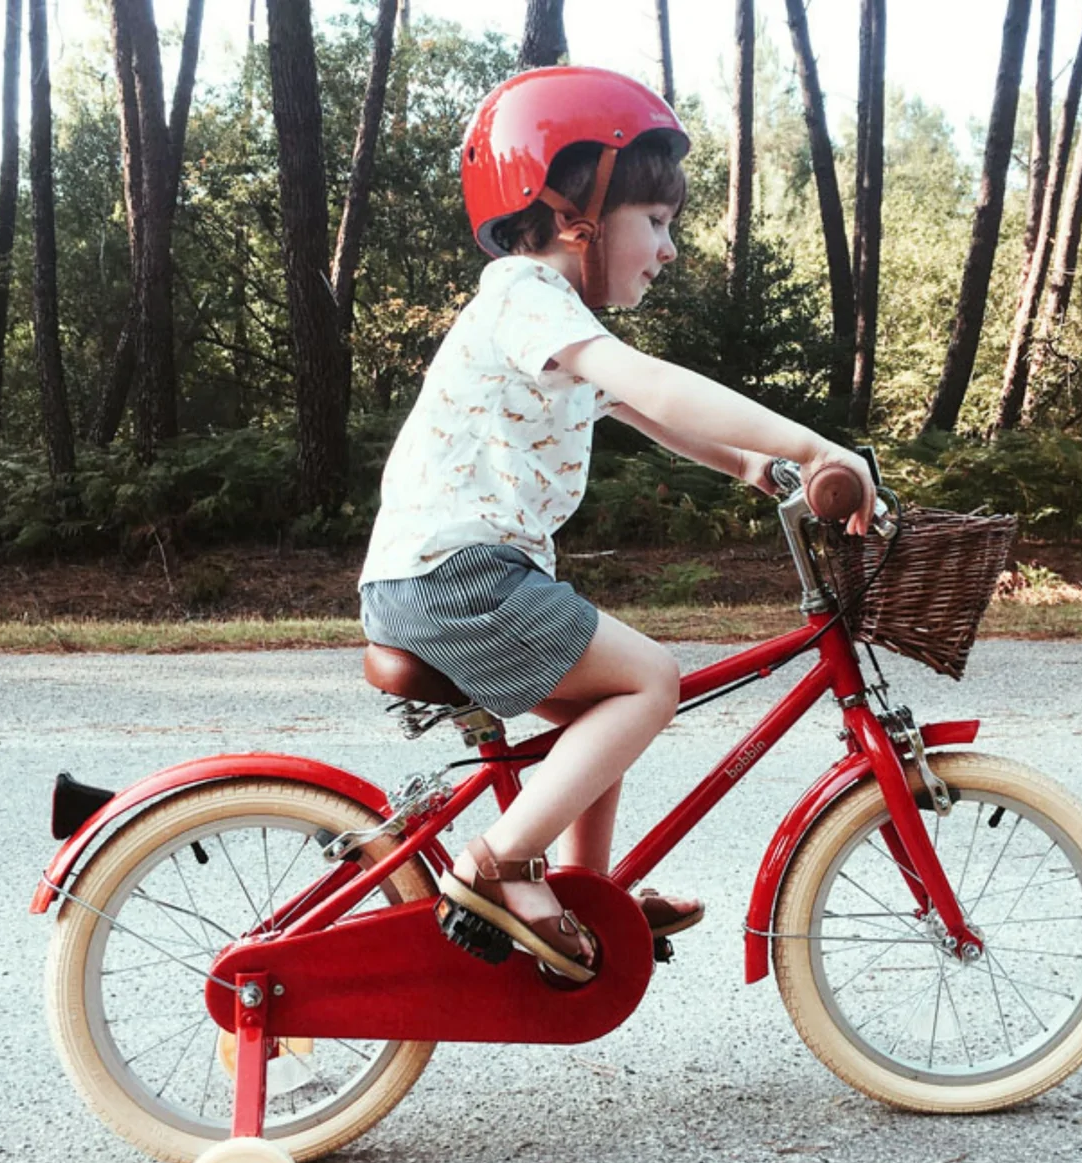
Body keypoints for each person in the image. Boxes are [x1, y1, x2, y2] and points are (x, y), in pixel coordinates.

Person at [359, 65, 875, 982]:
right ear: (574, 216)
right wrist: (816, 441)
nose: (669, 248)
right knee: (651, 682)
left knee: (606, 703)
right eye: (658, 222)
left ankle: (575, 892)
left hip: (454, 578)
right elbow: (655, 384)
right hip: (452, 577)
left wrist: (759, 465)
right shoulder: (523, 295)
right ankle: (497, 863)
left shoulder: (555, 324)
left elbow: (656, 416)